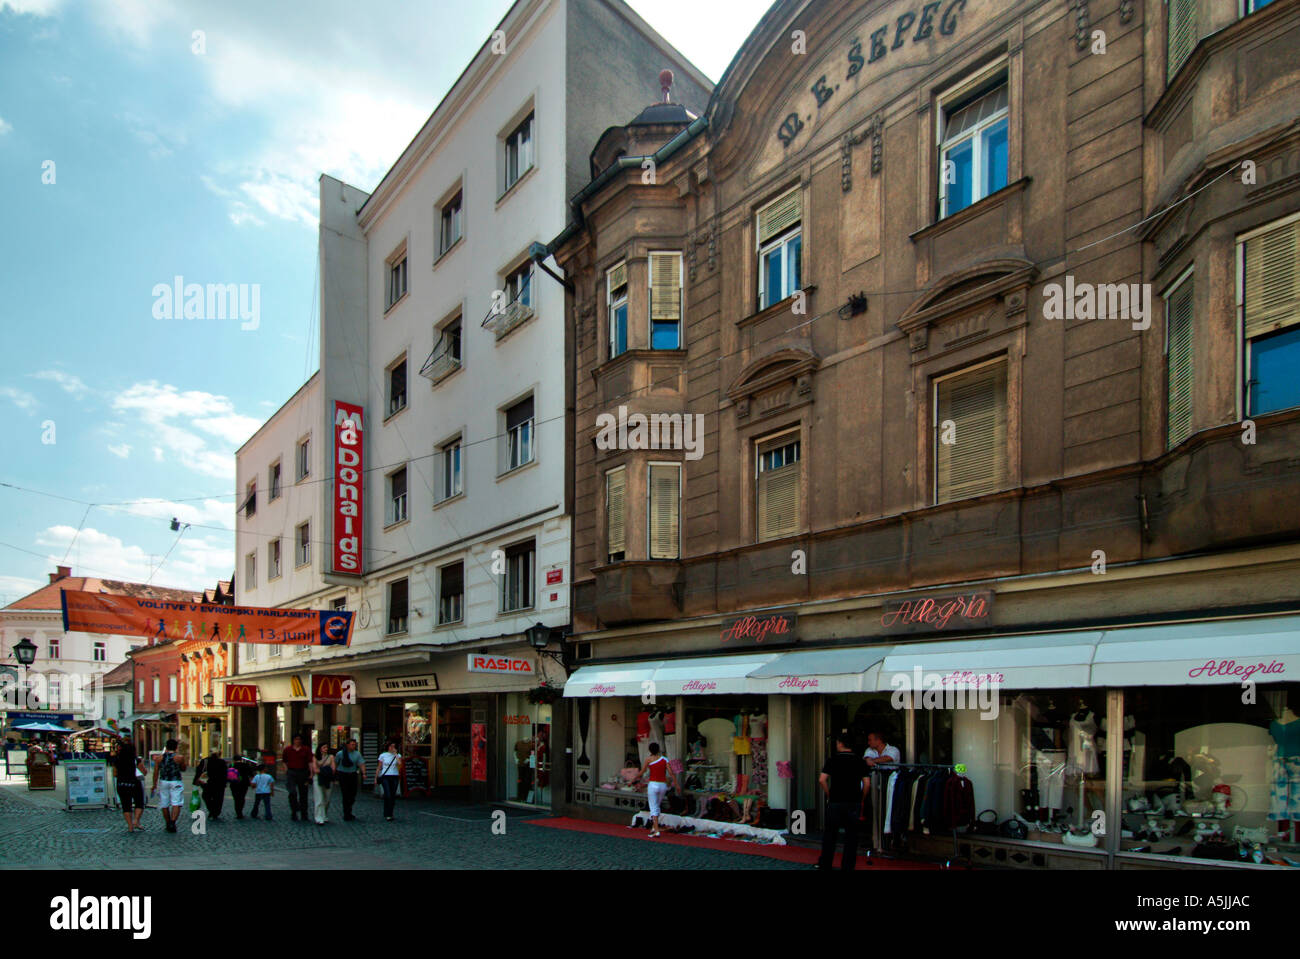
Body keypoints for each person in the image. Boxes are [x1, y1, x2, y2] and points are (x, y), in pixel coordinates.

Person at [818, 729, 869, 870]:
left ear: (840, 744)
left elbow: (822, 780)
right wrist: (862, 798)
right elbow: (867, 783)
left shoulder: (832, 759)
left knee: (830, 835)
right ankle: (847, 866)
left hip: (835, 800)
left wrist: (829, 794)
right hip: (853, 802)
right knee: (851, 837)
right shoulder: (860, 761)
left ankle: (825, 863)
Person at [638, 741, 678, 837]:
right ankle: (654, 826)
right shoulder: (665, 759)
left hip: (653, 784)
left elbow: (642, 772)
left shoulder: (648, 760)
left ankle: (656, 830)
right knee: (657, 805)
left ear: (650, 750)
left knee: (653, 807)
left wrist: (634, 780)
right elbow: (671, 773)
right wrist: (676, 784)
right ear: (658, 749)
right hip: (662, 785)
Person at [151, 738, 187, 833]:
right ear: (176, 747)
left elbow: (155, 773)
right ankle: (173, 822)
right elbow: (183, 768)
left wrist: (154, 785)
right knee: (176, 803)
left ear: (166, 747)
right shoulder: (179, 758)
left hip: (164, 781)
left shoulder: (159, 758)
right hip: (176, 781)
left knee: (164, 803)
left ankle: (168, 823)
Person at [112, 737, 147, 833]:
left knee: (126, 805)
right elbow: (144, 772)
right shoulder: (136, 760)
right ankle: (136, 820)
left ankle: (130, 826)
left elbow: (114, 774)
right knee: (139, 802)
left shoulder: (117, 759)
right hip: (134, 783)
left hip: (121, 783)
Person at [282, 734, 312, 821]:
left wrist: (311, 774)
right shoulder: (288, 749)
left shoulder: (306, 749)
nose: (298, 741)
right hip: (292, 772)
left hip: (303, 772)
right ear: (293, 740)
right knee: (292, 793)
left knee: (303, 794)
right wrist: (286, 771)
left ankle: (304, 814)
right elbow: (284, 761)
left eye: (299, 739)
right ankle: (294, 811)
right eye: (296, 739)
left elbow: (310, 762)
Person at [334, 738, 365, 821]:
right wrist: (334, 775)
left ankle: (349, 809)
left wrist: (364, 773)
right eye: (352, 744)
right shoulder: (340, 754)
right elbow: (335, 763)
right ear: (347, 745)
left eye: (355, 745)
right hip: (343, 775)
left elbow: (361, 763)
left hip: (352, 774)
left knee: (352, 794)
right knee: (345, 794)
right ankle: (346, 813)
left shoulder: (357, 754)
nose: (353, 746)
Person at [195, 749, 228, 821]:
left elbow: (199, 771)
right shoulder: (222, 762)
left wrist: (196, 781)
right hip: (219, 783)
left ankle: (212, 810)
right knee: (218, 798)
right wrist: (225, 782)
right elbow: (225, 773)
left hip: (207, 783)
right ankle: (215, 812)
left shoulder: (205, 761)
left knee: (206, 796)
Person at [376, 741, 402, 821]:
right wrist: (376, 777)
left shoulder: (398, 755)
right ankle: (387, 813)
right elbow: (379, 767)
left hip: (394, 776)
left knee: (392, 795)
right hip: (385, 776)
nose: (392, 748)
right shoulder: (383, 755)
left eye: (394, 747)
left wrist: (396, 754)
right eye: (391, 746)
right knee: (388, 794)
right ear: (388, 747)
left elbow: (400, 763)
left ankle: (390, 813)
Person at [311, 744, 336, 825]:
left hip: (328, 779)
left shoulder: (331, 757)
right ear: (320, 749)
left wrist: (323, 770)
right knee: (319, 798)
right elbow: (315, 769)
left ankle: (324, 815)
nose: (326, 749)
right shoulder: (315, 757)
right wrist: (325, 769)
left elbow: (333, 768)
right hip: (318, 779)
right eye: (324, 747)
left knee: (327, 798)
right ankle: (318, 817)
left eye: (326, 747)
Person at [229, 755, 256, 819]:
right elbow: (251, 774)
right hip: (244, 784)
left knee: (236, 798)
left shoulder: (232, 765)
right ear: (241, 759)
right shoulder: (245, 765)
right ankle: (240, 810)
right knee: (242, 797)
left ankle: (238, 812)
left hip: (234, 784)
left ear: (234, 760)